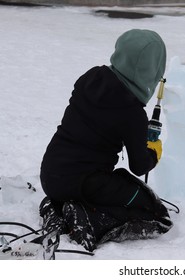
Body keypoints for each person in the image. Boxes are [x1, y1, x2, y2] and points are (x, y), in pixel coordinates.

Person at [38, 29, 173, 252]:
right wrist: (153, 151)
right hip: (84, 181)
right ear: (152, 68)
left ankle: (59, 206)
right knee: (153, 212)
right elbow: (139, 166)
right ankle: (88, 220)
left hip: (50, 174)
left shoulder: (90, 77)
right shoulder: (132, 112)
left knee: (106, 184)